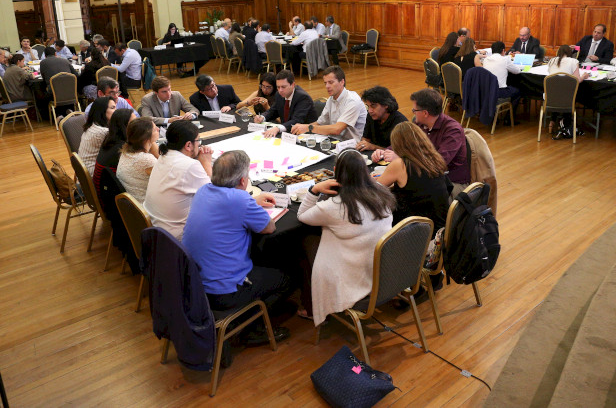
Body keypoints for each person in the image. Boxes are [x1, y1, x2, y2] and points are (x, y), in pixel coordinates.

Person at [181, 150, 291, 342]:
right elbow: (269, 227)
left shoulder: (204, 190)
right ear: (242, 181)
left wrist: (250, 203)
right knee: (286, 279)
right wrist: (250, 203)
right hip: (224, 291)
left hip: (195, 284)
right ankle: (251, 328)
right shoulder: (240, 200)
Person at [297, 149, 396, 324]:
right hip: (380, 266)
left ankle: (312, 307)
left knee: (306, 241)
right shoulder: (381, 190)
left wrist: (314, 190)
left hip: (353, 273)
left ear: (336, 172)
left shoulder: (334, 206)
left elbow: (302, 215)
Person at [373, 88, 470, 195]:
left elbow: (438, 164)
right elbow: (404, 142)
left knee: (399, 194)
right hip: (426, 178)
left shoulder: (452, 130)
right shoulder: (419, 123)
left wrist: (404, 160)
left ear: (425, 113)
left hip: (450, 183)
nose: (413, 112)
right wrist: (384, 152)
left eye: (414, 110)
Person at [144, 121, 213, 240]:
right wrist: (206, 162)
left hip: (156, 227)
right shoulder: (190, 165)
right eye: (198, 141)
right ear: (188, 145)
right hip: (176, 238)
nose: (200, 145)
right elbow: (213, 195)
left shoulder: (164, 156)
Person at [376, 122, 450, 229]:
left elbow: (373, 190)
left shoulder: (400, 164)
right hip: (439, 224)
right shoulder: (434, 158)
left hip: (415, 230)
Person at [291, 66, 367, 142]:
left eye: (331, 82)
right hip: (334, 141)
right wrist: (302, 127)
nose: (327, 86)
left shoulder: (352, 101)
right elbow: (320, 123)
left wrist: (308, 128)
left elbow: (337, 129)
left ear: (342, 82)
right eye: (325, 83)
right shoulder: (331, 99)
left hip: (351, 146)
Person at [254, 70, 317, 138]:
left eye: (283, 87)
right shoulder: (279, 94)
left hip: (306, 135)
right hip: (288, 133)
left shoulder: (303, 97)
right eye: (278, 87)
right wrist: (262, 117)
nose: (280, 90)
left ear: (293, 85)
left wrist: (277, 128)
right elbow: (273, 111)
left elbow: (297, 120)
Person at [546, 45, 590, 139]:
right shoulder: (574, 61)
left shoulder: (552, 60)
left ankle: (553, 121)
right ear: (570, 53)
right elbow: (576, 80)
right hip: (567, 98)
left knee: (559, 94)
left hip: (551, 97)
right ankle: (565, 123)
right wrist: (584, 76)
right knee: (569, 94)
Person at [92, 108, 135, 203]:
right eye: (134, 123)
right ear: (124, 126)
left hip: (105, 194)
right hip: (112, 202)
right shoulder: (122, 148)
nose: (137, 125)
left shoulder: (111, 139)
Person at [116, 117, 160, 204]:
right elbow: (168, 179)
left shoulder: (126, 151)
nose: (158, 129)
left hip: (133, 206)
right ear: (146, 137)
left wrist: (150, 142)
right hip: (145, 208)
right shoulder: (146, 160)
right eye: (155, 129)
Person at [357, 86, 408, 151]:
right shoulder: (371, 116)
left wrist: (373, 147)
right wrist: (362, 144)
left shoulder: (400, 122)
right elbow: (366, 138)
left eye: (373, 106)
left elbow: (398, 152)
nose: (370, 110)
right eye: (368, 106)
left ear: (386, 104)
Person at [480, 40, 522, 115]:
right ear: (503, 50)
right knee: (517, 92)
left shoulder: (486, 60)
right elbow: (517, 71)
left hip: (486, 90)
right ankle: (509, 118)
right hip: (498, 92)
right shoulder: (505, 59)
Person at [78, 97, 117, 175]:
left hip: (83, 173)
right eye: (112, 108)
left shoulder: (92, 125)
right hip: (93, 175)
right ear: (102, 110)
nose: (116, 111)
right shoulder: (103, 132)